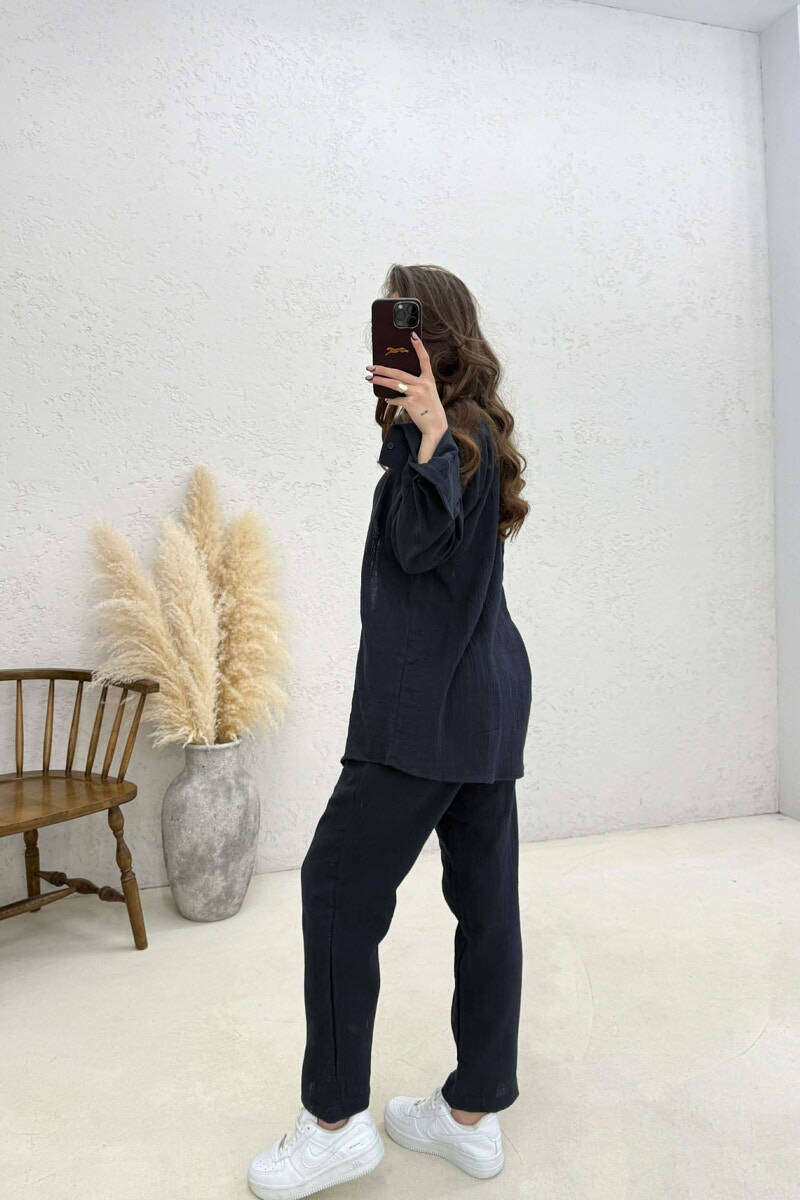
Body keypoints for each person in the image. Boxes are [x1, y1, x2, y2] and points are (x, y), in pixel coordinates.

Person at [247, 264, 532, 1200]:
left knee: (335, 889)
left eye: (400, 322)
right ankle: (471, 1117)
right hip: (488, 699)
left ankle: (334, 1125)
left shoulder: (451, 436)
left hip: (423, 713)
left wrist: (428, 434)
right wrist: (428, 432)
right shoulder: (475, 432)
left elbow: (415, 547)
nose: (385, 341)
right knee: (486, 906)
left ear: (430, 336)